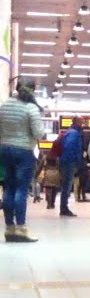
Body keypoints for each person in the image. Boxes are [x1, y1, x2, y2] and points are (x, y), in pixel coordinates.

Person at [0, 79, 44, 243]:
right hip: (24, 150)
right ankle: (21, 229)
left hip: (4, 149)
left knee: (8, 188)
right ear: (32, 90)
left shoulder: (4, 106)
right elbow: (39, 133)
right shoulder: (31, 107)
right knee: (21, 190)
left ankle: (9, 229)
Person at [57, 116, 85, 216]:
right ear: (77, 122)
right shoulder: (74, 133)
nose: (84, 123)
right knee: (67, 186)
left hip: (67, 161)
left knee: (66, 186)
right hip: (69, 162)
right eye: (82, 121)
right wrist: (76, 161)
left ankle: (64, 207)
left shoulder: (71, 132)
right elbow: (70, 148)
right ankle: (64, 208)